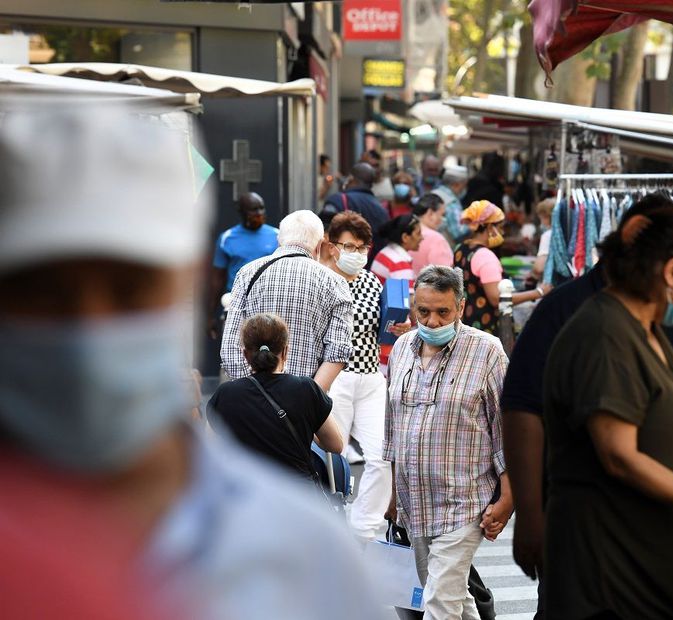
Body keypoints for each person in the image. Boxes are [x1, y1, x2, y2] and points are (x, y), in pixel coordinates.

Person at [0, 103, 385, 620]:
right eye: (46, 294)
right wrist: (304, 395)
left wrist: (256, 389)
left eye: (128, 288)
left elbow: (231, 351)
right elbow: (336, 349)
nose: (91, 323)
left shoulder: (303, 556)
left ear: (186, 280)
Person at [502, 196, 673, 620]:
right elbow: (618, 455)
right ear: (671, 271)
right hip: (615, 570)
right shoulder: (604, 332)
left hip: (660, 571)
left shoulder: (650, 329)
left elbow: (669, 416)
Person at [384, 266, 511, 620]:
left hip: (463, 502)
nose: (432, 321)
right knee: (449, 596)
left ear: (460, 307)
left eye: (443, 312)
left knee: (439, 603)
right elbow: (393, 427)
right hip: (415, 502)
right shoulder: (403, 348)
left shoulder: (487, 351)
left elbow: (505, 429)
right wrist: (393, 495)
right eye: (423, 311)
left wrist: (508, 497)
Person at [319, 212, 404, 540]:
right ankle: (331, 526)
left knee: (382, 455)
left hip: (370, 376)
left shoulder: (371, 282)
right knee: (330, 457)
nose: (356, 253)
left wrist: (398, 328)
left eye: (361, 247)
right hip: (335, 377)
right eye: (349, 246)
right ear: (333, 246)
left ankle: (363, 529)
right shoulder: (321, 279)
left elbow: (383, 328)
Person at [221, 210, 354, 392]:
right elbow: (338, 352)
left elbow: (230, 348)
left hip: (252, 401)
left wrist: (255, 393)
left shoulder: (247, 273)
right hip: (303, 407)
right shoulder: (335, 282)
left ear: (279, 240)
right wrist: (307, 399)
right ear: (318, 245)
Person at [208, 313, 344, 478]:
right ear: (285, 351)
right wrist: (309, 428)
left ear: (245, 354)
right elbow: (336, 445)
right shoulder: (306, 388)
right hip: (298, 495)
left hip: (245, 495)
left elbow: (208, 450)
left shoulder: (226, 394)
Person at [454, 201, 548, 334]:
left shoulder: (460, 249)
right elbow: (497, 298)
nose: (502, 232)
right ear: (489, 227)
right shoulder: (485, 256)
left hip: (467, 322)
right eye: (500, 227)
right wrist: (539, 292)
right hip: (486, 327)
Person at [208, 192, 279, 339]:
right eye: (254, 209)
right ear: (242, 212)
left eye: (261, 208)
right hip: (236, 306)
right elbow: (217, 279)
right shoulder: (227, 238)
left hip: (268, 305)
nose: (259, 213)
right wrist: (210, 315)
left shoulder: (277, 235)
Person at [321, 162, 390, 262]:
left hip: (337, 266)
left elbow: (323, 234)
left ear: (351, 179)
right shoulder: (382, 210)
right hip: (369, 267)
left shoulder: (337, 200)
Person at [371, 214, 423, 285]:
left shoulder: (383, 253)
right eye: (418, 233)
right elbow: (406, 296)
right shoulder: (400, 264)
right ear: (405, 237)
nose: (422, 238)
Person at [409, 193, 454, 275]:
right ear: (430, 214)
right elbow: (444, 277)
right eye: (442, 214)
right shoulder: (436, 240)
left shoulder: (407, 231)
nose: (443, 219)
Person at [433, 165, 471, 245]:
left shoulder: (434, 193)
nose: (464, 189)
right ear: (456, 184)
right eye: (464, 185)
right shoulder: (450, 202)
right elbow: (458, 233)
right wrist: (474, 223)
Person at [530, 198, 555, 281]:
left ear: (548, 217)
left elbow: (539, 267)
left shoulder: (548, 236)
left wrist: (533, 270)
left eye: (541, 218)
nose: (541, 223)